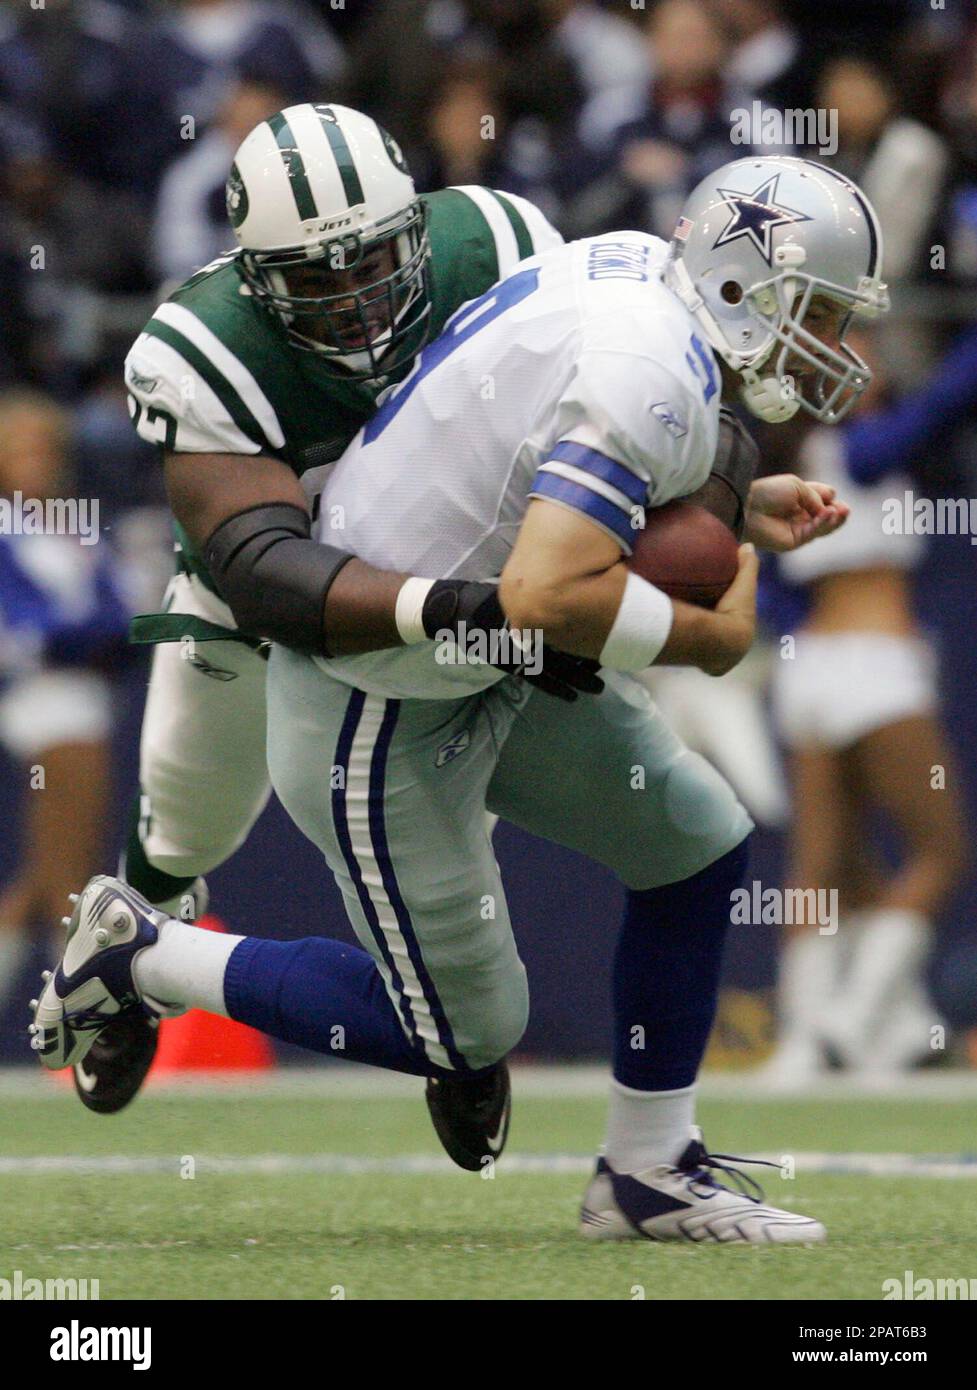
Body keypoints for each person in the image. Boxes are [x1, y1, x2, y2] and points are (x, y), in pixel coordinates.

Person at [34, 155, 887, 1244]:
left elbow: (556, 476)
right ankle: (142, 950)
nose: (827, 341)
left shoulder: (634, 272)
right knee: (464, 1032)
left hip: (483, 652)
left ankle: (645, 1173)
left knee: (694, 841)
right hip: (374, 695)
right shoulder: (651, 370)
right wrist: (703, 636)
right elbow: (542, 586)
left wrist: (727, 503)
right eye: (812, 309)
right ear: (736, 283)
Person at [62, 102, 569, 1116]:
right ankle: (130, 952)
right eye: (313, 280)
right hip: (262, 612)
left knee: (449, 812)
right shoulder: (205, 348)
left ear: (417, 232)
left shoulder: (503, 245)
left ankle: (446, 1022)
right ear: (252, 279)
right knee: (189, 812)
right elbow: (261, 567)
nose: (349, 300)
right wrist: (458, 607)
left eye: (369, 262)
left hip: (451, 596)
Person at [764, 327, 972, 1083]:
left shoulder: (795, 466)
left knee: (827, 865)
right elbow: (947, 399)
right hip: (873, 672)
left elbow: (773, 597)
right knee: (940, 852)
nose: (873, 362)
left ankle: (805, 1041)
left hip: (810, 677)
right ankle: (849, 1023)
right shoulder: (856, 451)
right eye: (852, 352)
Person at [0, 390, 129, 1020]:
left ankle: (62, 1002)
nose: (34, 461)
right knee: (67, 871)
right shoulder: (5, 534)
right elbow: (27, 629)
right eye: (20, 450)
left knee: (55, 867)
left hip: (87, 698)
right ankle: (68, 1011)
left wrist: (103, 631)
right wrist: (92, 633)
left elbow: (116, 612)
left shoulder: (79, 528)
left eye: (44, 449)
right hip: (44, 701)